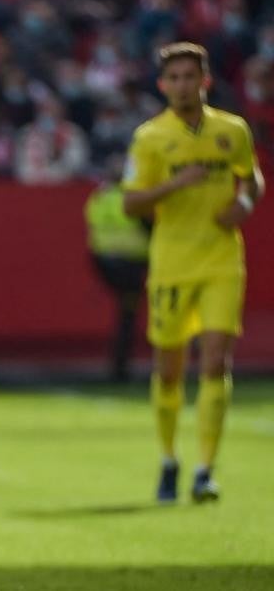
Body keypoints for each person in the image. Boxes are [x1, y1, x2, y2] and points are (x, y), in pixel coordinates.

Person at [122, 42, 264, 504]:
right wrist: (174, 184)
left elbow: (252, 177)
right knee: (168, 372)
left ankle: (205, 470)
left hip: (223, 258)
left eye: (190, 76)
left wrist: (243, 203)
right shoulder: (149, 137)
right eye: (174, 78)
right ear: (163, 85)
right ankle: (169, 460)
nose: (183, 85)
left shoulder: (233, 129)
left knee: (217, 360)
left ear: (205, 81)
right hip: (172, 263)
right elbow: (130, 202)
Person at [84, 154, 150, 383]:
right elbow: (147, 227)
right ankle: (121, 366)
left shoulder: (99, 198)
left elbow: (93, 227)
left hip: (104, 263)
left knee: (126, 313)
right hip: (131, 265)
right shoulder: (132, 198)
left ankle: (120, 364)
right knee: (128, 314)